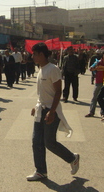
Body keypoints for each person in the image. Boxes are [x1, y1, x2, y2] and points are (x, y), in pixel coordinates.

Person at [26, 43, 79, 181]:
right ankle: (41, 171)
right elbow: (43, 94)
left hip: (50, 110)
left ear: (42, 55)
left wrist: (52, 111)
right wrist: (36, 105)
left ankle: (72, 158)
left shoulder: (53, 69)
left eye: (35, 54)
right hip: (41, 109)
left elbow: (58, 92)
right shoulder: (41, 69)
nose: (33, 56)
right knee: (36, 141)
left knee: (49, 142)